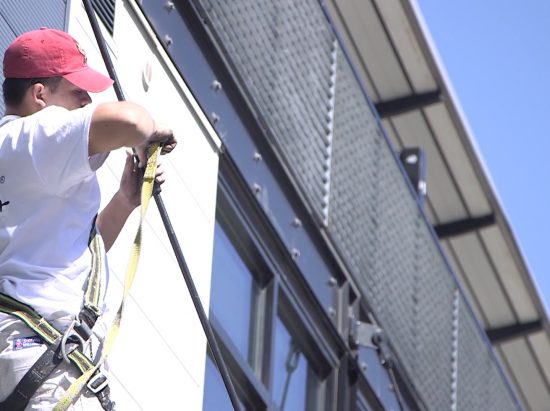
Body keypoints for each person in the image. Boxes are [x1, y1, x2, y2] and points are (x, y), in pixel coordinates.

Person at [0, 28, 177, 410]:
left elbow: (62, 252)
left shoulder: (13, 153)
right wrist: (148, 132)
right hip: (44, 357)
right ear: (40, 94)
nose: (86, 100)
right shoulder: (36, 134)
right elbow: (130, 120)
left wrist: (124, 202)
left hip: (20, 351)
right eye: (76, 90)